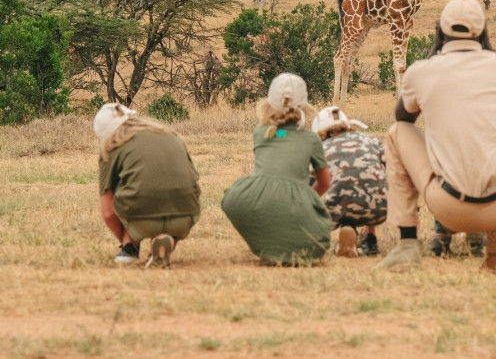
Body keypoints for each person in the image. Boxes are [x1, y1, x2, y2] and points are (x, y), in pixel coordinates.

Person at [377, 0, 496, 273]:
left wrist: (433, 60)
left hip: (450, 208)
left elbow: (403, 119)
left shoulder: (421, 72)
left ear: (440, 30)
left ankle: (408, 243)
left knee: (397, 132)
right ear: (483, 31)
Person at [222, 73, 332, 265]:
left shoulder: (261, 133)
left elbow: (282, 135)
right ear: (304, 106)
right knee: (319, 238)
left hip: (256, 198)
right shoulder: (311, 139)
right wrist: (303, 201)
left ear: (269, 103)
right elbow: (324, 184)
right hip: (297, 204)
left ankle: (268, 246)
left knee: (231, 199)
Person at [96, 103, 201, 268]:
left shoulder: (111, 147)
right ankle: (164, 245)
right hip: (185, 217)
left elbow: (108, 213)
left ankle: (129, 248)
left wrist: (125, 239)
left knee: (128, 189)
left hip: (141, 221)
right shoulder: (171, 135)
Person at [311, 106, 387, 257]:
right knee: (369, 182)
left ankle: (346, 228)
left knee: (346, 191)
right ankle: (369, 238)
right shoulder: (371, 140)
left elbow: (309, 184)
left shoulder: (322, 148)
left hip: (339, 210)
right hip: (382, 207)